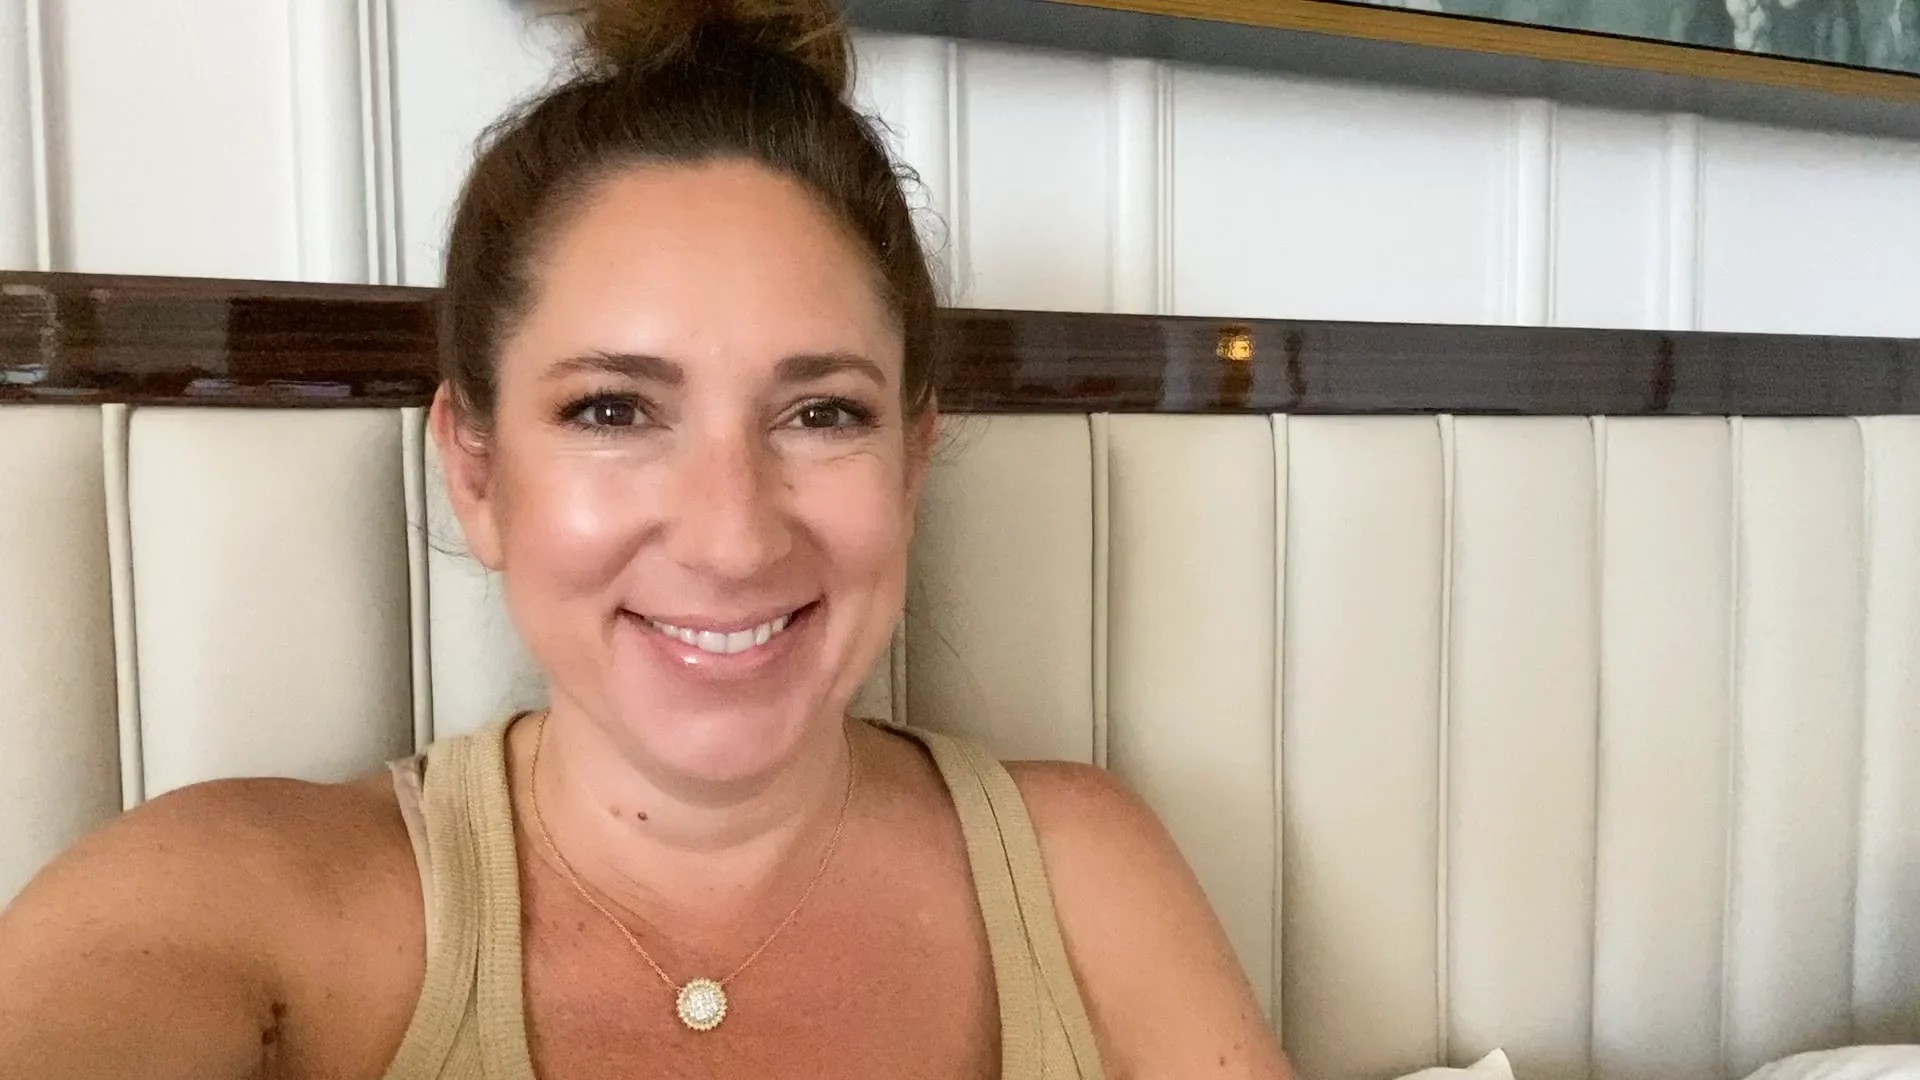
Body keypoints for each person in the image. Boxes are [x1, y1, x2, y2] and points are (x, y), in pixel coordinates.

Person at [0, 0, 1292, 1076]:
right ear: (474, 471)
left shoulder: (1085, 872)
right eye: (612, 409)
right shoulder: (236, 905)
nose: (732, 538)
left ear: (911, 463)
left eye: (822, 413)